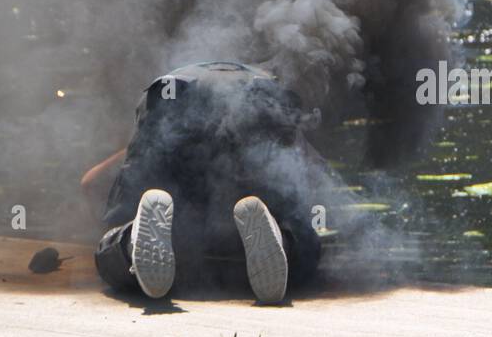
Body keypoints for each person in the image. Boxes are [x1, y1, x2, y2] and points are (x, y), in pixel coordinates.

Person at [81, 61, 325, 304]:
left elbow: (90, 183)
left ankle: (130, 242)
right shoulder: (266, 92)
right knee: (302, 237)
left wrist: (113, 221)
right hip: (257, 110)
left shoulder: (180, 82)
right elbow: (316, 175)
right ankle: (282, 241)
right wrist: (304, 218)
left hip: (171, 98)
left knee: (113, 249)